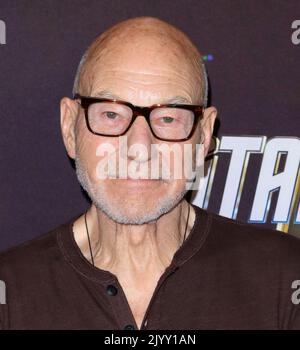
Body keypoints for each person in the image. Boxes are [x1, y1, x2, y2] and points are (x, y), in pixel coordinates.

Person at [0, 16, 299, 330]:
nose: (140, 148)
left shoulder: (284, 279)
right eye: (111, 114)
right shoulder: (11, 291)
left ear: (204, 136)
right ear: (69, 128)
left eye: (168, 118)